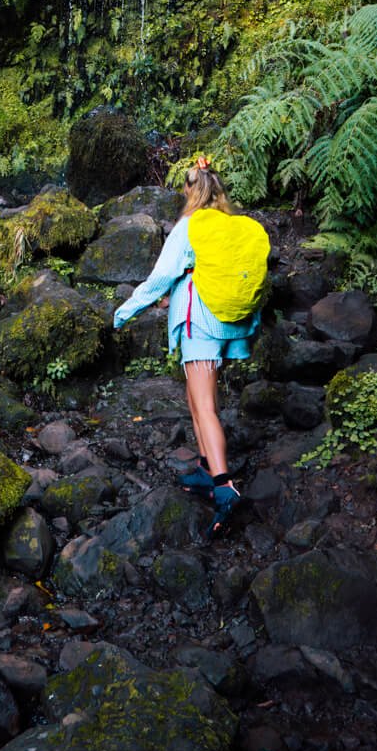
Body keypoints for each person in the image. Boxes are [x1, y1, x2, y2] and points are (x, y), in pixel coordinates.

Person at [112, 158, 270, 537]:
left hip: (198, 324)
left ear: (190, 192)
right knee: (195, 397)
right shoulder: (231, 227)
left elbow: (161, 276)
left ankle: (223, 485)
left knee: (204, 405)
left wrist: (123, 312)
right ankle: (203, 468)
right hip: (224, 323)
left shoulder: (190, 227)